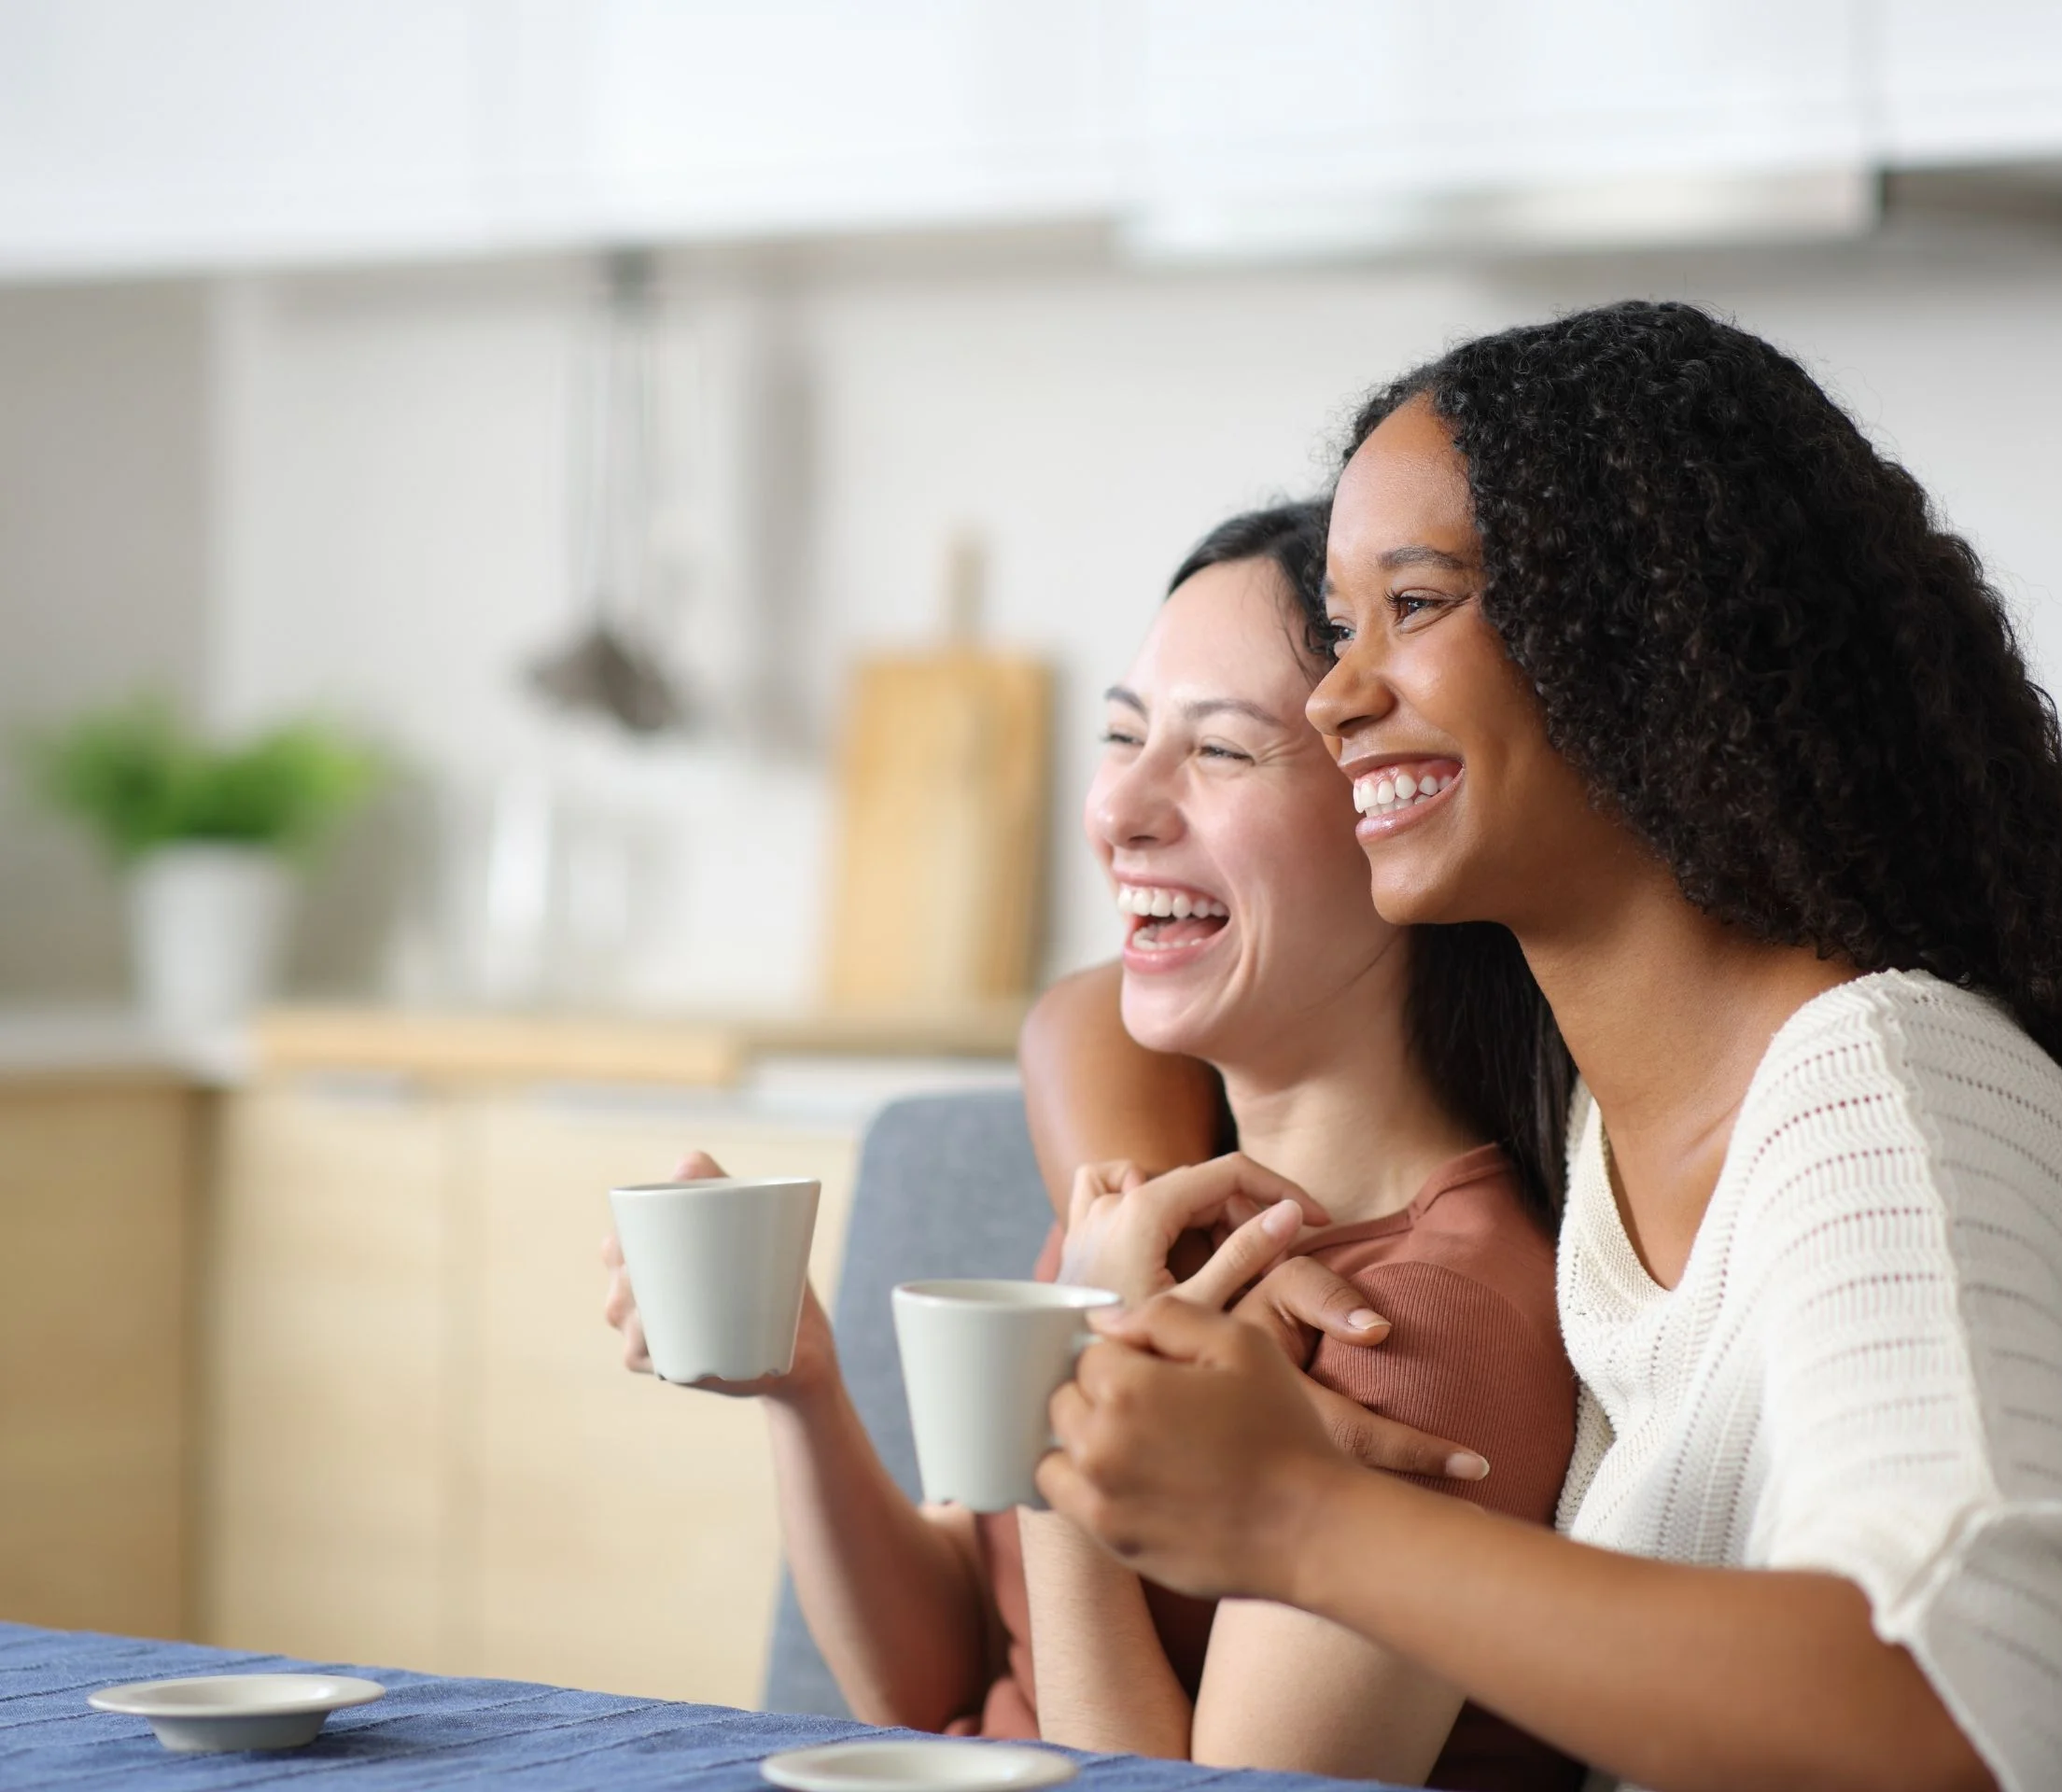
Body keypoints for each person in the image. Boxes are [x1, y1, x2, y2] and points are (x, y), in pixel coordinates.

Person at [1028, 303, 2062, 1792]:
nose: (1338, 698)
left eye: (1419, 605)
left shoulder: (1889, 1097)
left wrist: (1304, 1520)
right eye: (1340, 629)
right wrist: (1144, 1252)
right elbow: (1093, 1010)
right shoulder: (1599, 1119)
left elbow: (1951, 1719)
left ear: (1647, 637)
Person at [602, 500, 1581, 1791]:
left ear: (1396, 819)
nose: (1118, 807)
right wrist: (807, 1394)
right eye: (1122, 736)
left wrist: (1073, 1405)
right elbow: (944, 1679)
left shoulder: (1411, 1327)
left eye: (1220, 753)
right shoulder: (1144, 1211)